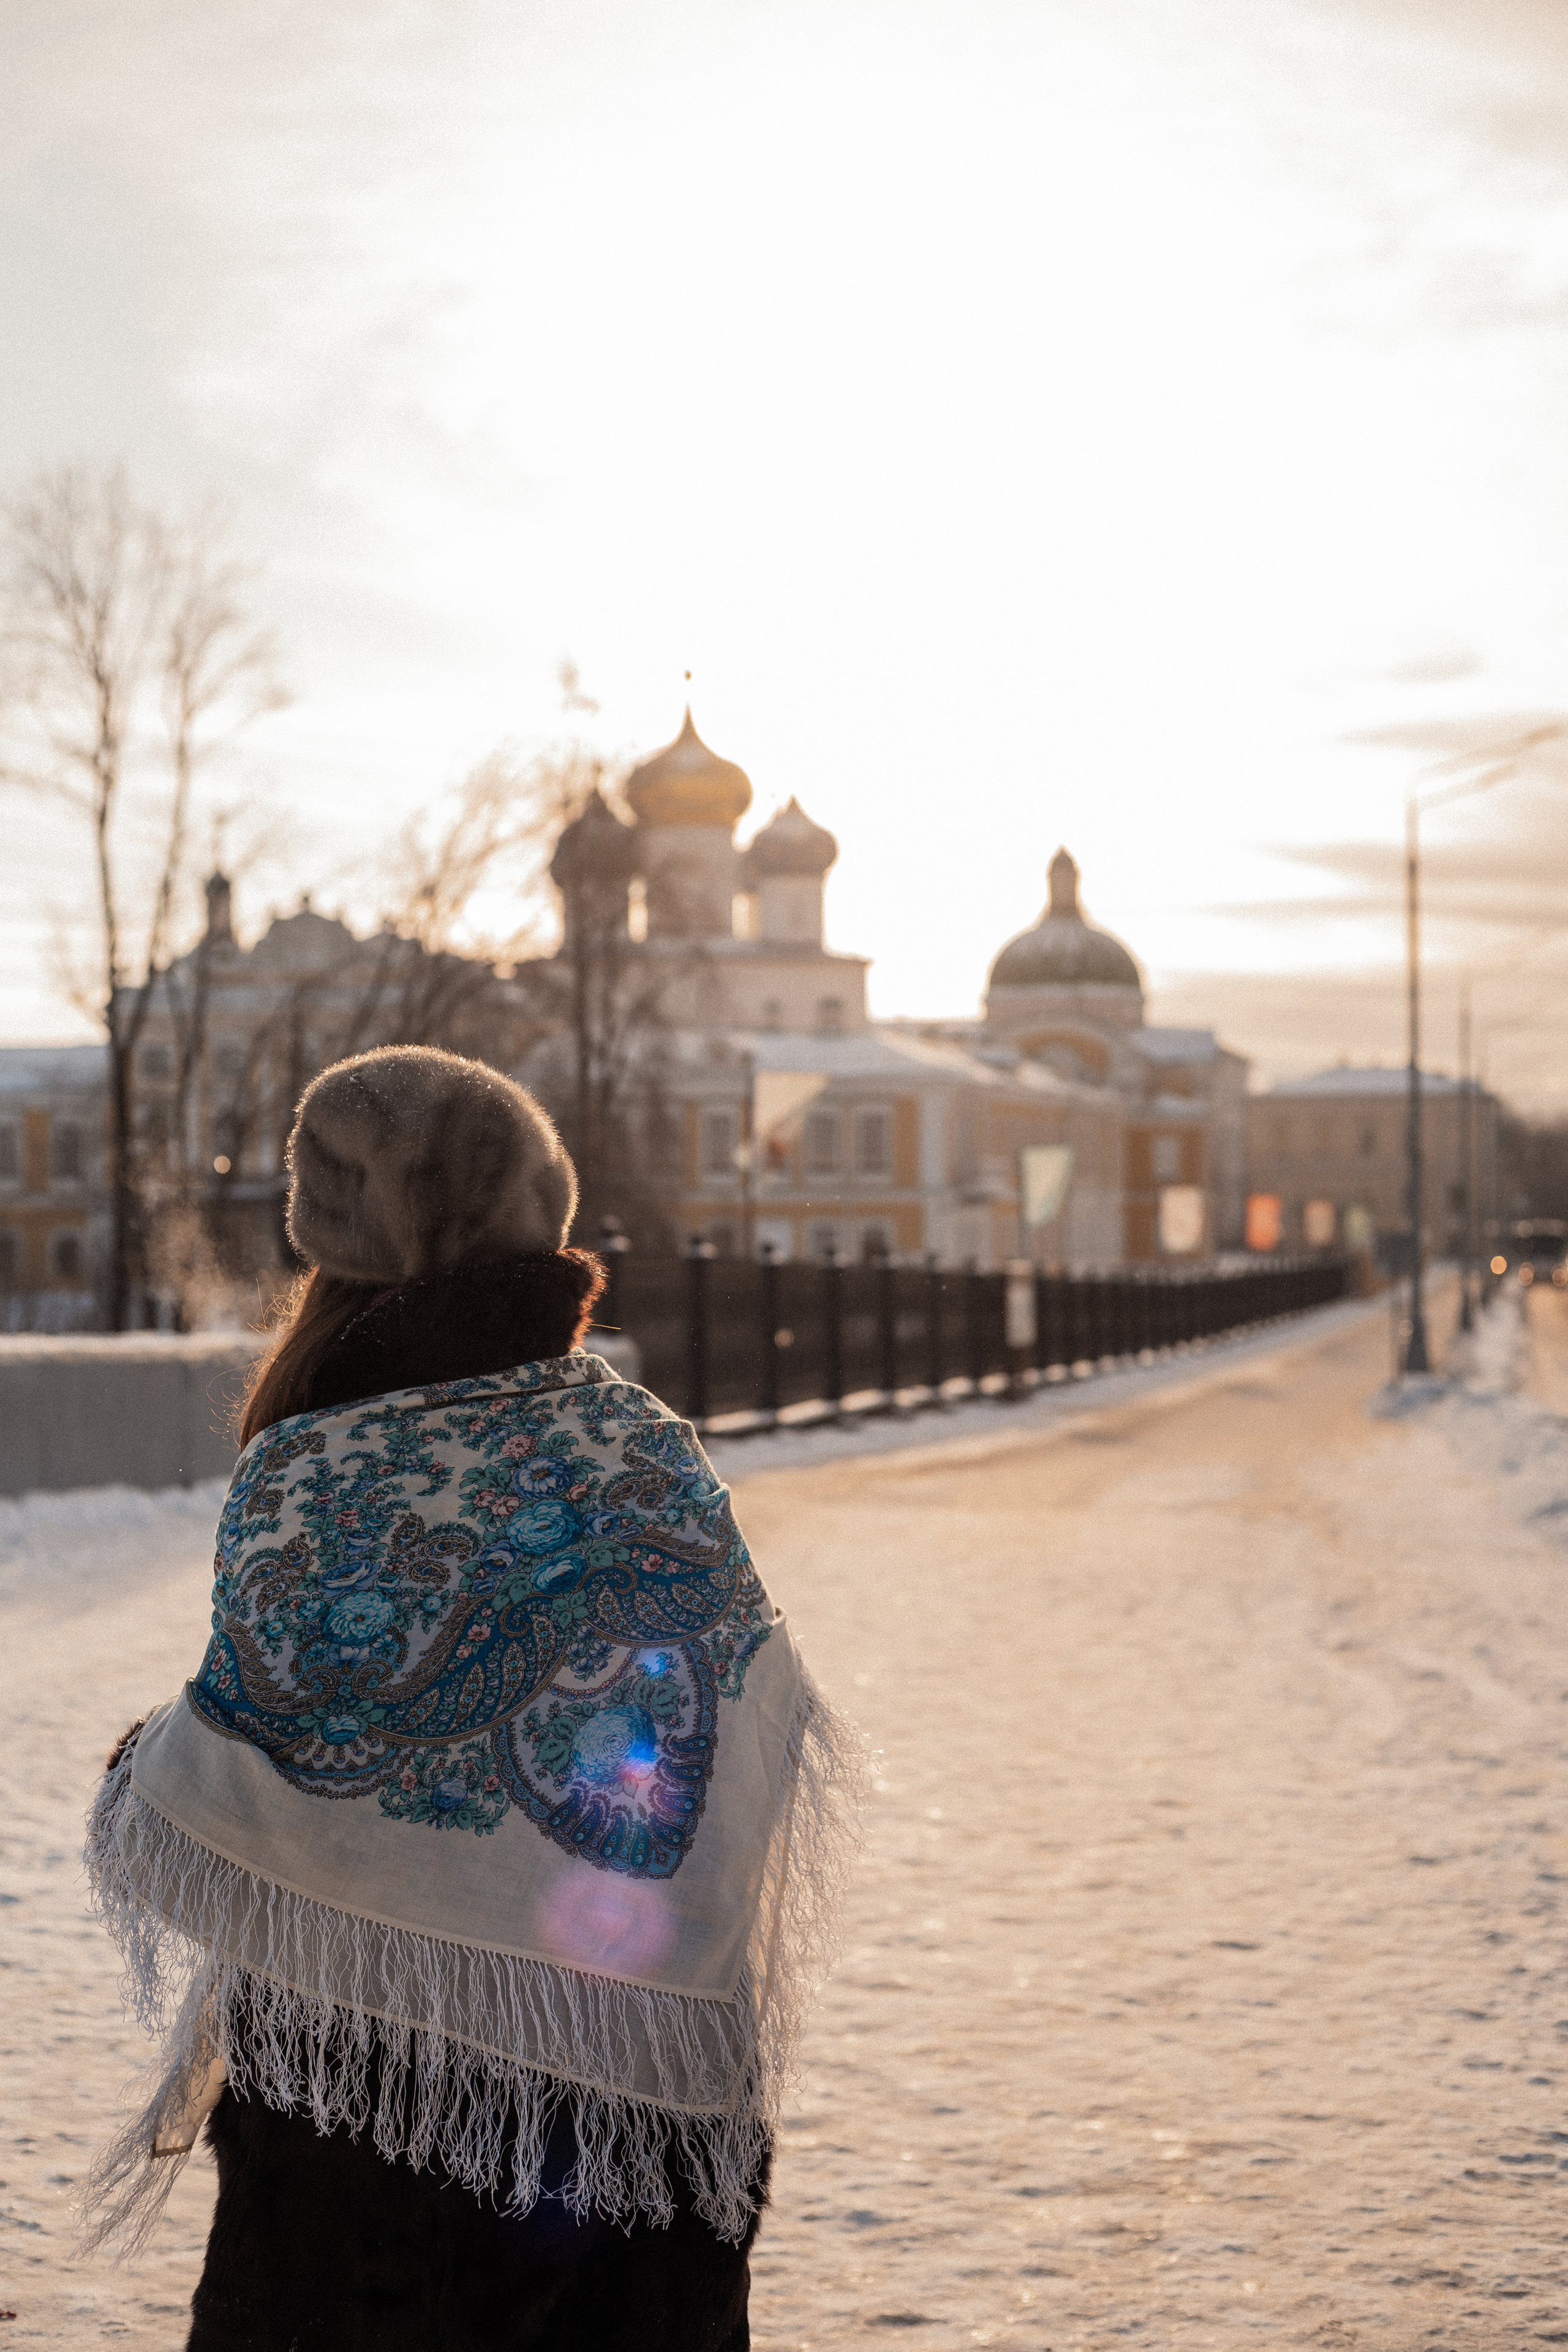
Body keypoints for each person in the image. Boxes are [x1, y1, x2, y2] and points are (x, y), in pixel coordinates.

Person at [85, 1047, 858, 2352]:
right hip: (634, 2162)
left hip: (360, 2163)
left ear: (331, 1248)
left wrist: (136, 1772)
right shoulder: (642, 1445)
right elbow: (742, 1733)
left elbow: (265, 1769)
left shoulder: (312, 1462)